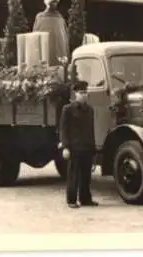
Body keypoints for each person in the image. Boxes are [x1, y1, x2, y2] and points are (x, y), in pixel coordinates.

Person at [59, 80, 99, 208]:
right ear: (75, 94)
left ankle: (85, 199)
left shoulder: (90, 110)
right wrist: (65, 147)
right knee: (73, 175)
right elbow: (63, 129)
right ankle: (71, 200)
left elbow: (91, 130)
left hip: (86, 147)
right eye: (81, 93)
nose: (84, 95)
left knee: (86, 176)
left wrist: (93, 149)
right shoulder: (68, 109)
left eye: (85, 93)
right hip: (74, 148)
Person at [32, 0, 70, 66]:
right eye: (53, 2)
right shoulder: (40, 17)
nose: (55, 4)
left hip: (58, 55)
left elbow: (64, 38)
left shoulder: (60, 18)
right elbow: (35, 36)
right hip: (43, 54)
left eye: (56, 2)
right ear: (48, 3)